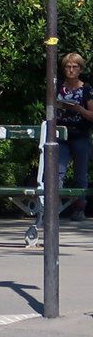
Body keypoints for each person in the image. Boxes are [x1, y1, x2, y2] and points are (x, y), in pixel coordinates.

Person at [59, 53, 93, 220]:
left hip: (80, 134)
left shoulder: (86, 89)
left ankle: (79, 207)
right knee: (58, 171)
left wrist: (79, 109)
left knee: (80, 174)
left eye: (75, 67)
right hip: (61, 135)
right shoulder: (58, 86)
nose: (71, 70)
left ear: (80, 69)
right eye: (68, 66)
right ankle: (53, 207)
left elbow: (91, 114)